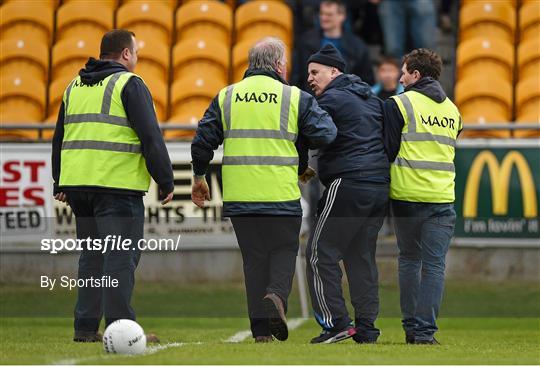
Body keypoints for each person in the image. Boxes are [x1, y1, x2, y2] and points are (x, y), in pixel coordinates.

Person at [191, 37, 337, 343]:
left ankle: (260, 333)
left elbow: (202, 141)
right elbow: (327, 133)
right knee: (284, 249)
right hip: (280, 194)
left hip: (240, 197)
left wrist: (199, 177)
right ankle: (277, 298)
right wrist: (300, 142)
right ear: (280, 65)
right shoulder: (294, 97)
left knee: (253, 260)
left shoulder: (227, 96)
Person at [51, 29, 174, 343]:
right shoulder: (129, 84)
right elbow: (150, 137)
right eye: (136, 51)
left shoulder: (73, 85)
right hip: (116, 188)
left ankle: (85, 328)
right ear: (126, 54)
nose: (138, 57)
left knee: (91, 258)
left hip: (79, 187)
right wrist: (165, 179)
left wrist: (60, 181)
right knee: (120, 258)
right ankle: (122, 331)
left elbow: (59, 137)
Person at [305, 44, 389, 344]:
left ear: (334, 71)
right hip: (379, 185)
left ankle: (335, 323)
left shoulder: (330, 100)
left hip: (349, 183)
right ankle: (366, 329)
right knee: (361, 257)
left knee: (319, 253)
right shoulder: (372, 99)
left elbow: (315, 133)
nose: (310, 79)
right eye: (308, 74)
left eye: (315, 72)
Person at [384, 48, 462, 344]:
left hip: (406, 196)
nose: (400, 77)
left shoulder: (398, 105)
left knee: (409, 261)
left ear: (416, 75)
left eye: (404, 72)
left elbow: (388, 150)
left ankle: (411, 329)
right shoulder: (453, 110)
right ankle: (426, 333)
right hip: (442, 198)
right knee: (434, 267)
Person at [292, 0, 375, 91]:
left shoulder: (357, 46)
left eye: (329, 15)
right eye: (322, 13)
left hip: (345, 99)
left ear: (342, 16)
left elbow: (366, 81)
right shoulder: (306, 41)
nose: (324, 18)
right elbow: (297, 76)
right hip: (312, 99)